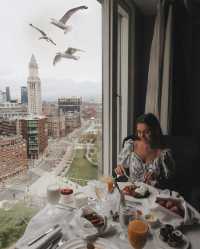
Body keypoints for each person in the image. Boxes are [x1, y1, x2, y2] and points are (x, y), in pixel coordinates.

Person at [115, 113, 175, 187]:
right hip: (132, 192)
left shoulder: (164, 153)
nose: (142, 136)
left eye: (146, 132)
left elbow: (170, 179)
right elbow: (121, 166)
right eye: (139, 132)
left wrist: (157, 177)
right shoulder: (130, 146)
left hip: (155, 194)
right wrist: (119, 168)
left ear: (155, 130)